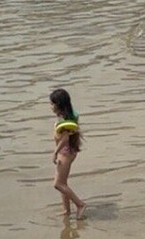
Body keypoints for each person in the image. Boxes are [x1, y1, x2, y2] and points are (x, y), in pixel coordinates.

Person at [49, 88, 86, 217]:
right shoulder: (72, 115)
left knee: (58, 184)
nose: (50, 106)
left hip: (64, 153)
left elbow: (64, 138)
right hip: (71, 150)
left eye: (52, 104)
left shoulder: (62, 120)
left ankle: (80, 204)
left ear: (58, 104)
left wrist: (55, 152)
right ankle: (66, 210)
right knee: (63, 182)